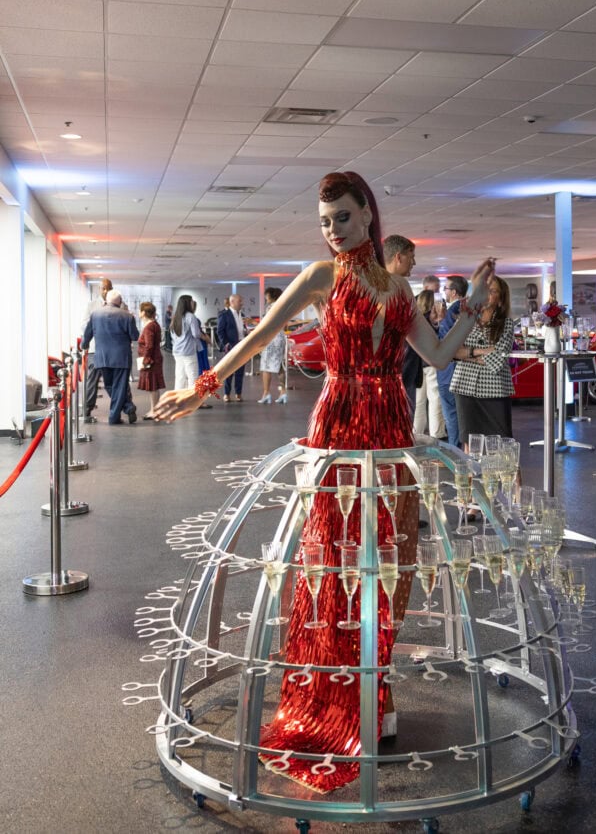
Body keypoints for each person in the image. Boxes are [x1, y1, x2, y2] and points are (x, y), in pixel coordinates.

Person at [153, 170, 493, 793]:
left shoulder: (396, 289)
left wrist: (471, 303)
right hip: (338, 422)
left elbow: (438, 357)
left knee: (390, 565)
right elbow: (260, 335)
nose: (333, 231)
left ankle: (375, 683)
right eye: (324, 221)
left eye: (341, 217)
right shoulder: (320, 278)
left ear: (367, 213)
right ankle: (331, 696)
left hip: (389, 425)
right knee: (329, 566)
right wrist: (203, 387)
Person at [450, 275, 515, 444]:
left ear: (501, 298)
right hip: (464, 387)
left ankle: (504, 471)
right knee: (469, 442)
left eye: (492, 291)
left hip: (495, 389)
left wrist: (467, 354)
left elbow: (499, 358)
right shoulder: (466, 319)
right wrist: (480, 351)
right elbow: (452, 351)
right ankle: (471, 471)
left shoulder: (506, 323)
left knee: (501, 441)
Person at [81, 289, 138, 425]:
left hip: (102, 357)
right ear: (119, 302)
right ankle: (119, 413)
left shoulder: (95, 314)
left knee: (109, 385)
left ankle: (123, 411)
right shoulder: (127, 316)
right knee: (119, 386)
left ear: (106, 300)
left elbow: (87, 333)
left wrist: (84, 345)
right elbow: (135, 336)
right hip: (121, 357)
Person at [383, 234, 422, 412]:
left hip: (401, 375)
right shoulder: (397, 291)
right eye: (411, 256)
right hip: (393, 379)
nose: (413, 262)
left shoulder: (395, 290)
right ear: (398, 257)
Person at [437, 275, 469, 449]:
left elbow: (448, 341)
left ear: (454, 292)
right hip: (453, 371)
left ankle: (455, 452)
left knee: (452, 416)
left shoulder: (456, 310)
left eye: (446, 289)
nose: (444, 292)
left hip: (449, 372)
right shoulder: (462, 309)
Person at [413, 290, 446, 439]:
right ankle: (436, 433)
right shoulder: (434, 320)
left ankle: (416, 433)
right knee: (435, 399)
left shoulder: (416, 319)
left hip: (417, 365)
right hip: (431, 363)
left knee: (419, 401)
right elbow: (439, 339)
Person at [79, 277, 112, 420]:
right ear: (99, 289)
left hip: (112, 350)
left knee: (114, 382)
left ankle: (124, 409)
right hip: (95, 350)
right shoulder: (92, 305)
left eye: (108, 288)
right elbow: (84, 325)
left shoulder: (118, 304)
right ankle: (87, 410)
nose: (105, 291)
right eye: (103, 288)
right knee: (91, 381)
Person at [257, 287, 287, 404]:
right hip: (280, 337)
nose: (266, 298)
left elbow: (266, 324)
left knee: (265, 367)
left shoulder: (271, 307)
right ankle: (283, 392)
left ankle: (266, 393)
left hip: (271, 338)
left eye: (267, 296)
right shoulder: (283, 307)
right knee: (279, 366)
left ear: (272, 296)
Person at [137, 301, 165, 418]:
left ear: (143, 313)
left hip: (151, 360)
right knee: (154, 386)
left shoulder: (149, 327)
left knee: (152, 386)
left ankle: (154, 411)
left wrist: (145, 360)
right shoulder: (155, 324)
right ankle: (155, 409)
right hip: (156, 358)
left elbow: (149, 345)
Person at [217, 293, 246, 402]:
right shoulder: (224, 315)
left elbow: (241, 329)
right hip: (230, 347)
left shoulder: (241, 315)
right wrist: (226, 344)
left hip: (242, 345)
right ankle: (226, 393)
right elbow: (220, 331)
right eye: (240, 301)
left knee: (240, 371)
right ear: (232, 302)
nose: (242, 303)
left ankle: (238, 393)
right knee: (228, 371)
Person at [170, 294, 202, 390]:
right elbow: (196, 334)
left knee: (180, 377)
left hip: (177, 351)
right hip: (188, 351)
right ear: (188, 303)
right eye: (192, 301)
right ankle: (192, 401)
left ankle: (179, 401)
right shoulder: (191, 316)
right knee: (192, 377)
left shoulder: (175, 317)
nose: (193, 303)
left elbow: (173, 335)